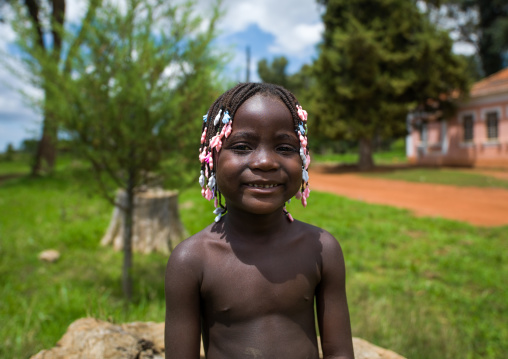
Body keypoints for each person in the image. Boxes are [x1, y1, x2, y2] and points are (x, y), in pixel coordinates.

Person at [165, 83, 354, 359]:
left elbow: (339, 353)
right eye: (242, 146)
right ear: (211, 159)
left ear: (303, 158)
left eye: (285, 147)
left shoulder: (322, 249)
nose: (265, 161)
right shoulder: (191, 260)